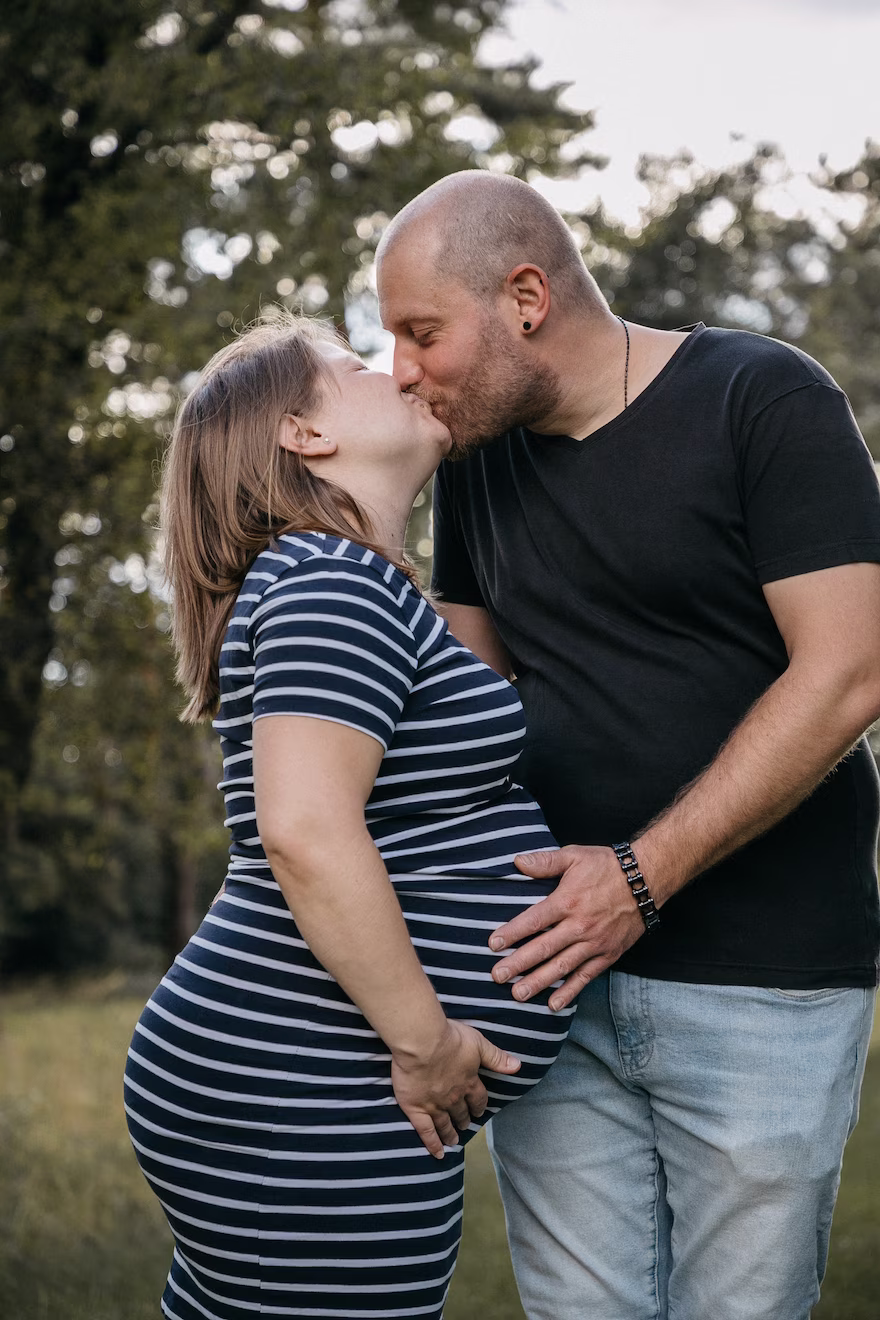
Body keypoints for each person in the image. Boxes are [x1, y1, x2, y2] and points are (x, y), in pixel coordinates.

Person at [376, 169, 880, 1320]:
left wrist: (638, 880)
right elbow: (458, 705)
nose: (401, 368)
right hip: (547, 982)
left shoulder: (762, 398)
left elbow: (850, 670)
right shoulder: (477, 463)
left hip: (763, 983)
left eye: (420, 333)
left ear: (525, 295)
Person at [123, 311, 577, 1320]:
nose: (399, 373)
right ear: (303, 432)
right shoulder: (333, 578)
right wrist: (425, 1044)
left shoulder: (346, 581)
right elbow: (305, 829)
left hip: (300, 1075)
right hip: (310, 1085)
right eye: (358, 366)